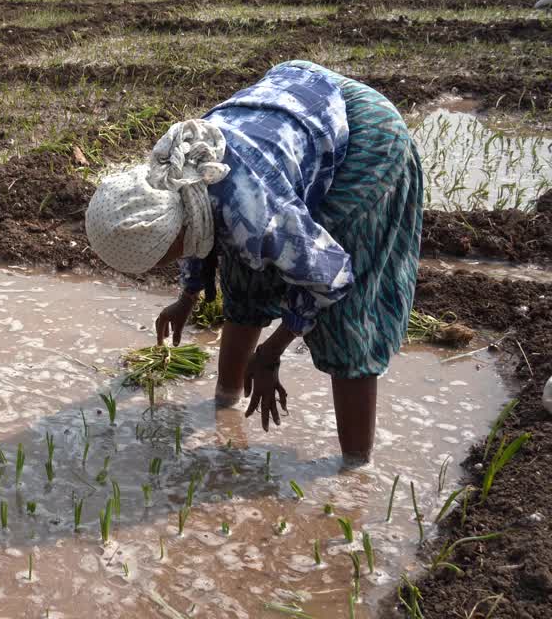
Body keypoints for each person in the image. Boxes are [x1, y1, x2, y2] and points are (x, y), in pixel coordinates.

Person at [86, 61, 423, 464]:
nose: (165, 262)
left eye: (163, 256)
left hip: (365, 133)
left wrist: (271, 353)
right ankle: (225, 404)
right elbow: (201, 226)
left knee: (347, 316)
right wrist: (187, 297)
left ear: (173, 235)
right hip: (297, 105)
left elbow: (332, 275)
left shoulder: (254, 213)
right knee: (243, 272)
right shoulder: (172, 178)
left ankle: (355, 468)